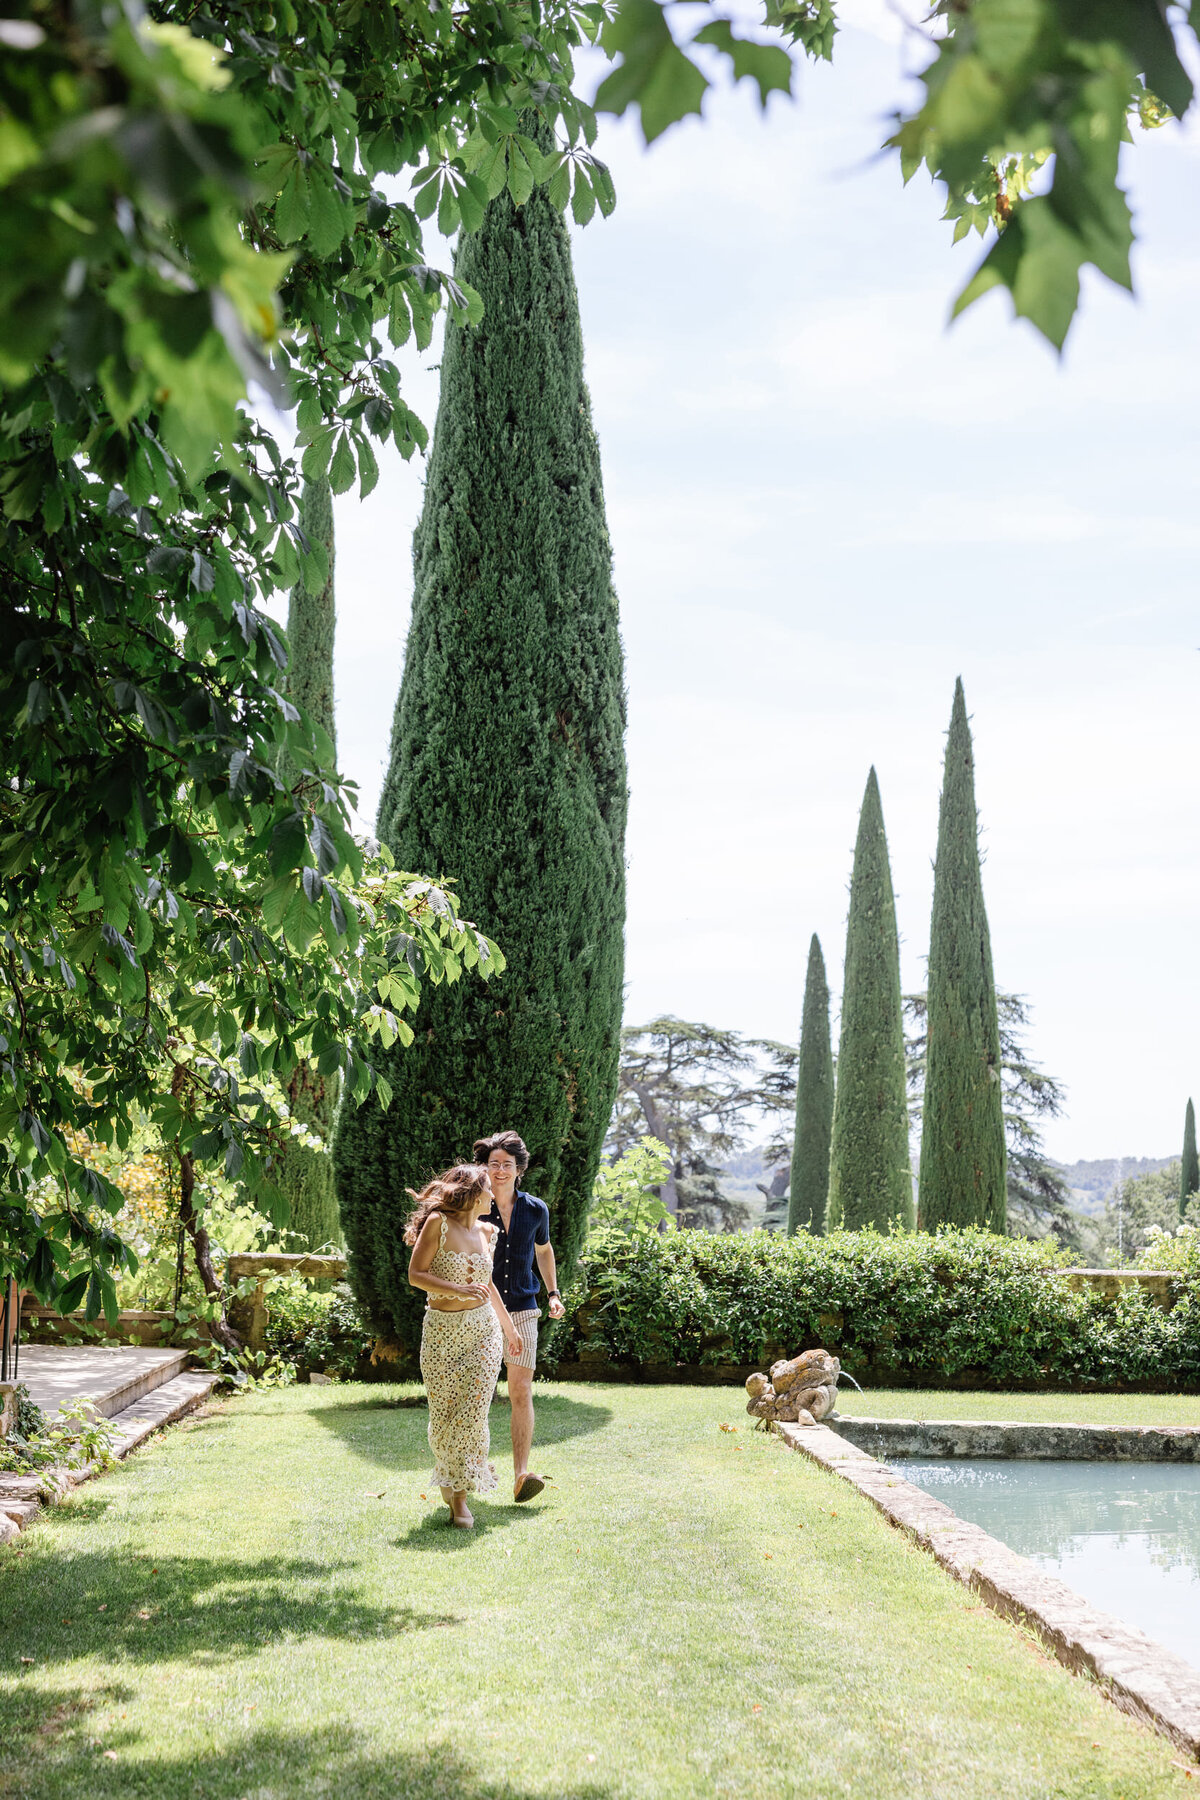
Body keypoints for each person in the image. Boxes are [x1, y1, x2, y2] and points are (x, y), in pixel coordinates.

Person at [406, 1163, 523, 1529]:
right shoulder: (439, 1224)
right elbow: (415, 1275)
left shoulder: (488, 1232)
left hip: (482, 1331)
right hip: (441, 1332)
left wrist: (509, 1329)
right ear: (474, 1193)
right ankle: (450, 1472)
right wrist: (455, 1289)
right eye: (489, 1189)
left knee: (473, 1412)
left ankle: (460, 1498)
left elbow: (487, 1288)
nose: (494, 1195)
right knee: (445, 1414)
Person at [473, 1130, 566, 1503]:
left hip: (525, 1307)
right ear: (485, 1168)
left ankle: (521, 1473)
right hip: (480, 1308)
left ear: (518, 1170)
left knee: (520, 1389)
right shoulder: (475, 1205)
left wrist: (554, 1293)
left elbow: (543, 1251)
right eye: (493, 1164)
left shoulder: (535, 1210)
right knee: (478, 1391)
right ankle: (472, 1469)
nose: (499, 1170)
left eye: (506, 1165)